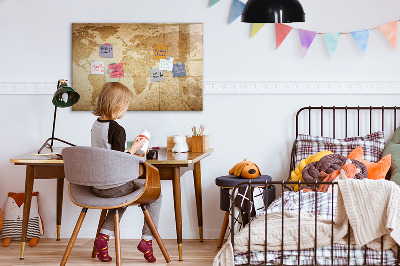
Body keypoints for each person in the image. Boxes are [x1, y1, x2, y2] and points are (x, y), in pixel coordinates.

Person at [91, 82, 161, 263]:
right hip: (114, 186)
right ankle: (147, 240)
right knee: (156, 194)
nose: (126, 109)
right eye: (126, 105)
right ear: (117, 105)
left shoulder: (96, 125)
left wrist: (131, 149)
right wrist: (136, 148)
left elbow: (108, 154)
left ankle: (103, 238)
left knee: (121, 198)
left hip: (97, 186)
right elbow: (119, 161)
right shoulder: (117, 129)